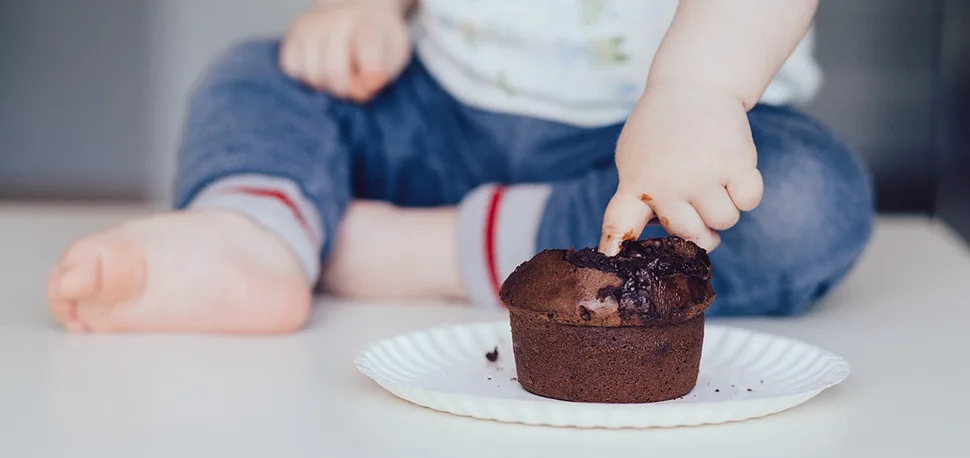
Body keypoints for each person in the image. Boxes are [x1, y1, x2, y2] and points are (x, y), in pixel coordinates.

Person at [46, 0, 874, 334]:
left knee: (805, 200)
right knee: (262, 74)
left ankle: (417, 251)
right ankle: (250, 229)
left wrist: (698, 90)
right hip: (439, 116)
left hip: (645, 161)